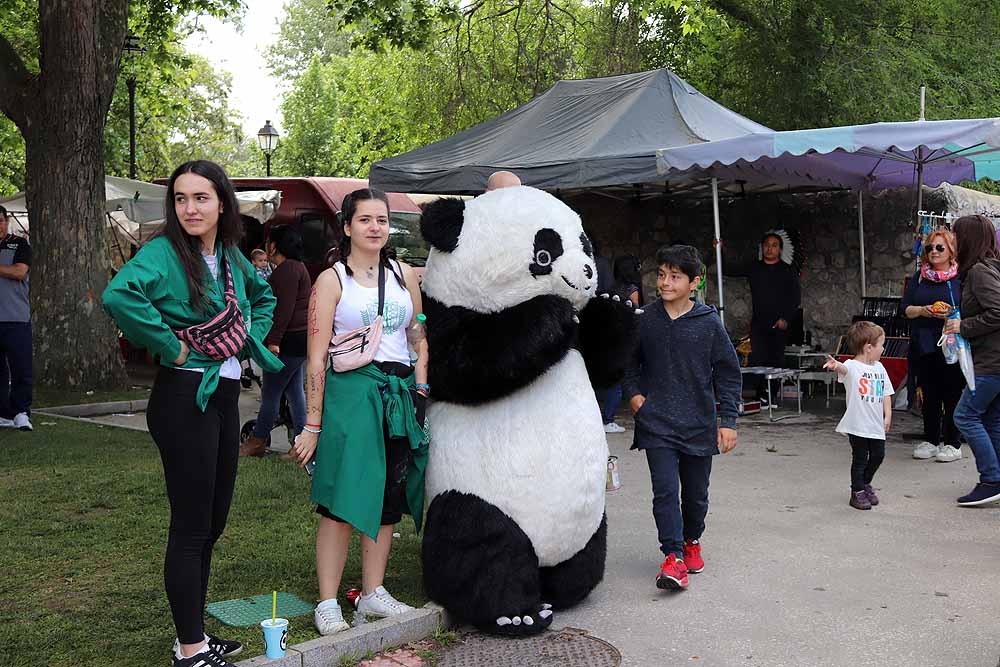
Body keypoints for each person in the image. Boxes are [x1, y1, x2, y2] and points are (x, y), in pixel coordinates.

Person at [102, 160, 281, 667]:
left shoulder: (227, 256)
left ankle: (193, 631)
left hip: (223, 398)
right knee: (191, 527)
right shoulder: (163, 253)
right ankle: (190, 649)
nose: (189, 208)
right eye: (180, 198)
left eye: (200, 197)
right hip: (184, 398)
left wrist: (249, 336)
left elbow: (263, 295)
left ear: (221, 202)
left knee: (213, 522)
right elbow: (118, 294)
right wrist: (170, 346)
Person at [291, 188, 429, 635]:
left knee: (390, 492)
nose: (375, 227)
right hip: (351, 397)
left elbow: (418, 333)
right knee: (342, 499)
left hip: (398, 394)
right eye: (365, 220)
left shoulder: (405, 274)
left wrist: (421, 384)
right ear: (347, 226)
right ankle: (328, 601)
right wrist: (313, 423)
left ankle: (373, 593)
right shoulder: (332, 280)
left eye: (382, 220)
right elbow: (316, 358)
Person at [623, 244, 741, 591]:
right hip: (656, 420)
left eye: (675, 276)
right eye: (661, 274)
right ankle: (672, 556)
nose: (665, 282)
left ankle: (691, 541)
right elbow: (628, 362)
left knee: (695, 494)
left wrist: (729, 422)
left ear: (695, 282)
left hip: (698, 424)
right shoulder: (644, 320)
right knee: (663, 491)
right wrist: (634, 396)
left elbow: (728, 373)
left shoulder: (708, 324)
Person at [240, 225, 312, 457]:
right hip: (300, 340)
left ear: (275, 245)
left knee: (271, 392)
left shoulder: (287, 270)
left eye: (269, 242)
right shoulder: (296, 267)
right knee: (293, 392)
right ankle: (300, 444)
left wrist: (274, 341)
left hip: (288, 341)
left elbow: (282, 310)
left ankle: (257, 440)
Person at [944, 214, 1000, 506]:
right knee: (991, 419)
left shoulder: (980, 271)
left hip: (992, 362)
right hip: (993, 360)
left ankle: (991, 479)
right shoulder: (988, 268)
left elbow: (998, 311)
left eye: (955, 237)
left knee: (964, 415)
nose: (952, 242)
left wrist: (962, 326)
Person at [901, 229, 964, 462]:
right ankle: (930, 439)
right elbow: (904, 309)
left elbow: (969, 308)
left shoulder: (960, 279)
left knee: (952, 393)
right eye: (930, 248)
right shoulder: (920, 277)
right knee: (929, 392)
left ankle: (952, 443)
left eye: (939, 247)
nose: (934, 252)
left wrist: (953, 316)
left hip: (951, 342)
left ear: (951, 250)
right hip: (924, 342)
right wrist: (923, 310)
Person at [823, 321, 894, 511]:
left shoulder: (880, 368)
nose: (884, 348)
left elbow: (886, 392)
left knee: (878, 455)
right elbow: (844, 369)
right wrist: (835, 365)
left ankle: (865, 483)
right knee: (860, 458)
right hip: (857, 424)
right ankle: (857, 491)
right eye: (881, 344)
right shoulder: (852, 366)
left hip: (876, 424)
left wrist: (888, 415)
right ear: (869, 347)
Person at [747, 232, 801, 406]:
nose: (770, 248)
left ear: (780, 249)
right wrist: (720, 249)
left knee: (776, 360)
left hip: (779, 323)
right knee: (757, 358)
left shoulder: (787, 270)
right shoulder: (755, 268)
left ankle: (771, 394)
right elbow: (730, 268)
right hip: (758, 322)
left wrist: (785, 318)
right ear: (762, 247)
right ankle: (759, 394)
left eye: (774, 245)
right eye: (767, 245)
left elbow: (795, 298)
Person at [0, 205, 32, 431]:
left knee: (21, 367)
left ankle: (21, 412)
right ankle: (3, 413)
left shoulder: (19, 244)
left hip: (16, 318)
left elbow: (19, 272)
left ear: (6, 220)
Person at [602, 254, 642, 434]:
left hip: (610, 337)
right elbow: (634, 314)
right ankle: (608, 419)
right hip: (624, 338)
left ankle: (605, 417)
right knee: (620, 382)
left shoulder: (611, 288)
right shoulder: (633, 289)